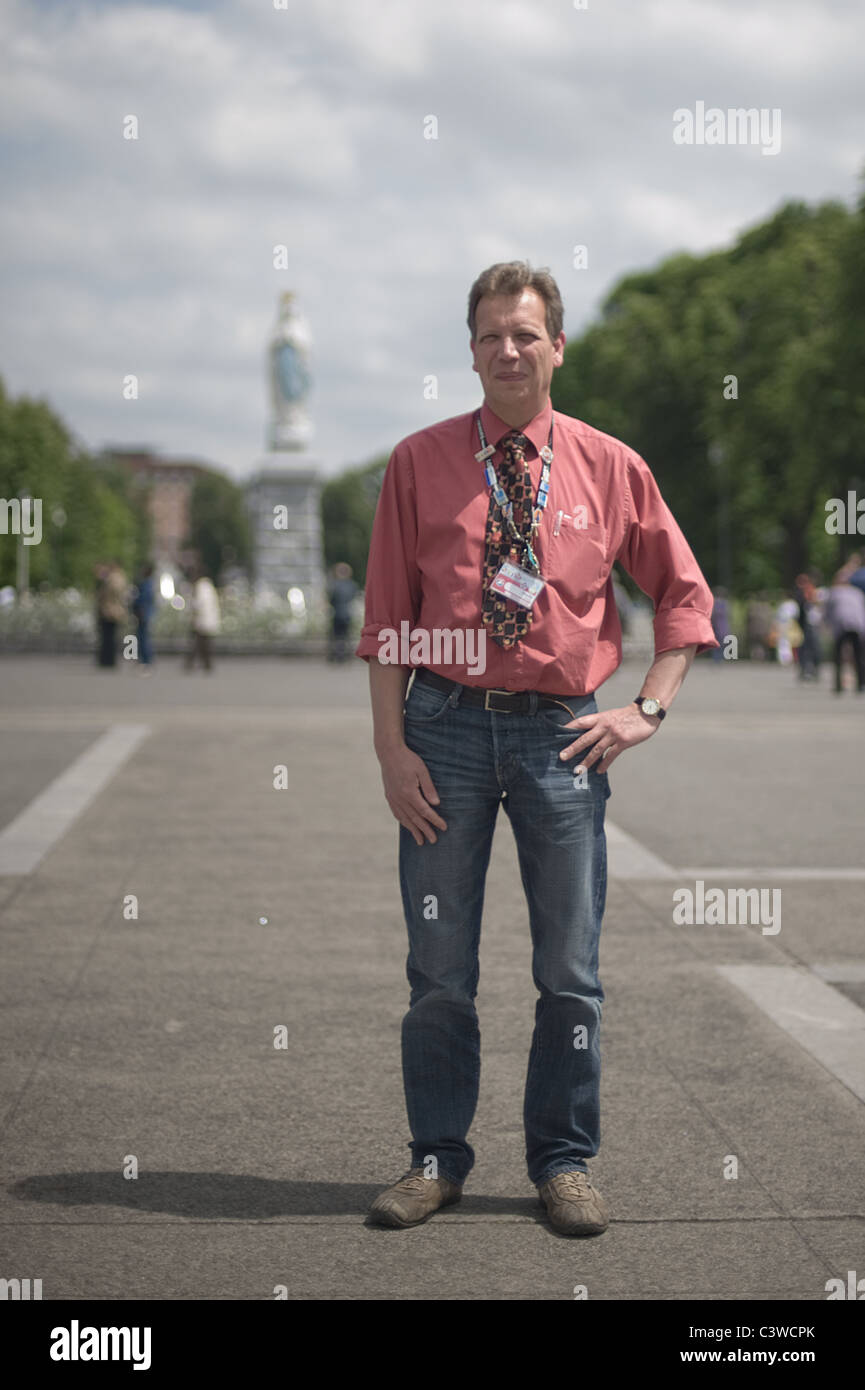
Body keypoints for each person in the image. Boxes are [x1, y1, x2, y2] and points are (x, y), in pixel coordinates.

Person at [355, 261, 718, 1237]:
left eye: (524, 333)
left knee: (569, 966)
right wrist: (391, 750)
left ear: (557, 345)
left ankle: (564, 1161)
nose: (507, 351)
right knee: (438, 967)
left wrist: (645, 709)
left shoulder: (609, 466)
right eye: (488, 336)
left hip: (563, 737)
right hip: (442, 732)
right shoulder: (417, 463)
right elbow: (388, 622)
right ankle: (435, 1158)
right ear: (469, 351)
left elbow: (684, 602)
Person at [823, 571, 865, 694]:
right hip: (857, 626)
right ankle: (861, 683)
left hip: (841, 626)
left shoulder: (834, 592)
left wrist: (827, 624)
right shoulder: (857, 593)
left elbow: (827, 611)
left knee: (838, 657)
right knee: (859, 657)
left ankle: (838, 685)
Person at [184, 565, 221, 672]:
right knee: (203, 643)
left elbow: (198, 604)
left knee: (198, 642)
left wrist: (192, 615)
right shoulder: (208, 585)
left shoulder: (201, 586)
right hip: (208, 619)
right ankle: (204, 663)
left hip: (202, 620)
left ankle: (193, 663)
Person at [95, 559, 128, 668]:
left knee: (108, 636)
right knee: (109, 636)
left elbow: (109, 593)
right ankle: (108, 659)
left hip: (110, 610)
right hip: (114, 610)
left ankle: (108, 660)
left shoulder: (114, 578)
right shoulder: (120, 577)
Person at [327, 562, 359, 663]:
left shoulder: (335, 585)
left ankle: (336, 655)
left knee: (336, 636)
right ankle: (345, 654)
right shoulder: (352, 585)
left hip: (337, 614)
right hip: (347, 614)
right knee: (345, 636)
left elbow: (331, 600)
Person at [132, 562, 156, 674]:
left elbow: (142, 599)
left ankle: (145, 661)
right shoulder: (149, 583)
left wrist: (139, 610)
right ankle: (145, 660)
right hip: (145, 613)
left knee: (143, 638)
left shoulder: (146, 584)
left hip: (143, 614)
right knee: (142, 637)